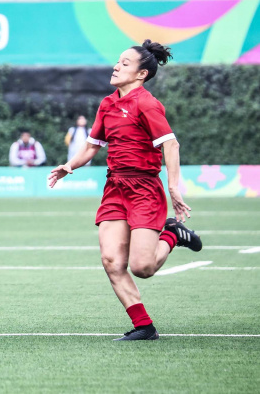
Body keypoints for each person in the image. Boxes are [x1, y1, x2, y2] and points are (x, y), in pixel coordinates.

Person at [48, 39, 202, 341]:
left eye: (125, 63)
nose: (116, 66)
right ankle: (144, 326)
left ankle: (173, 233)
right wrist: (70, 166)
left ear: (141, 74)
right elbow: (93, 145)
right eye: (118, 61)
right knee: (111, 261)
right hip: (115, 187)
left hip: (144, 188)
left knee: (142, 266)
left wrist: (173, 188)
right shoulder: (107, 104)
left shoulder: (147, 103)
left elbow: (170, 144)